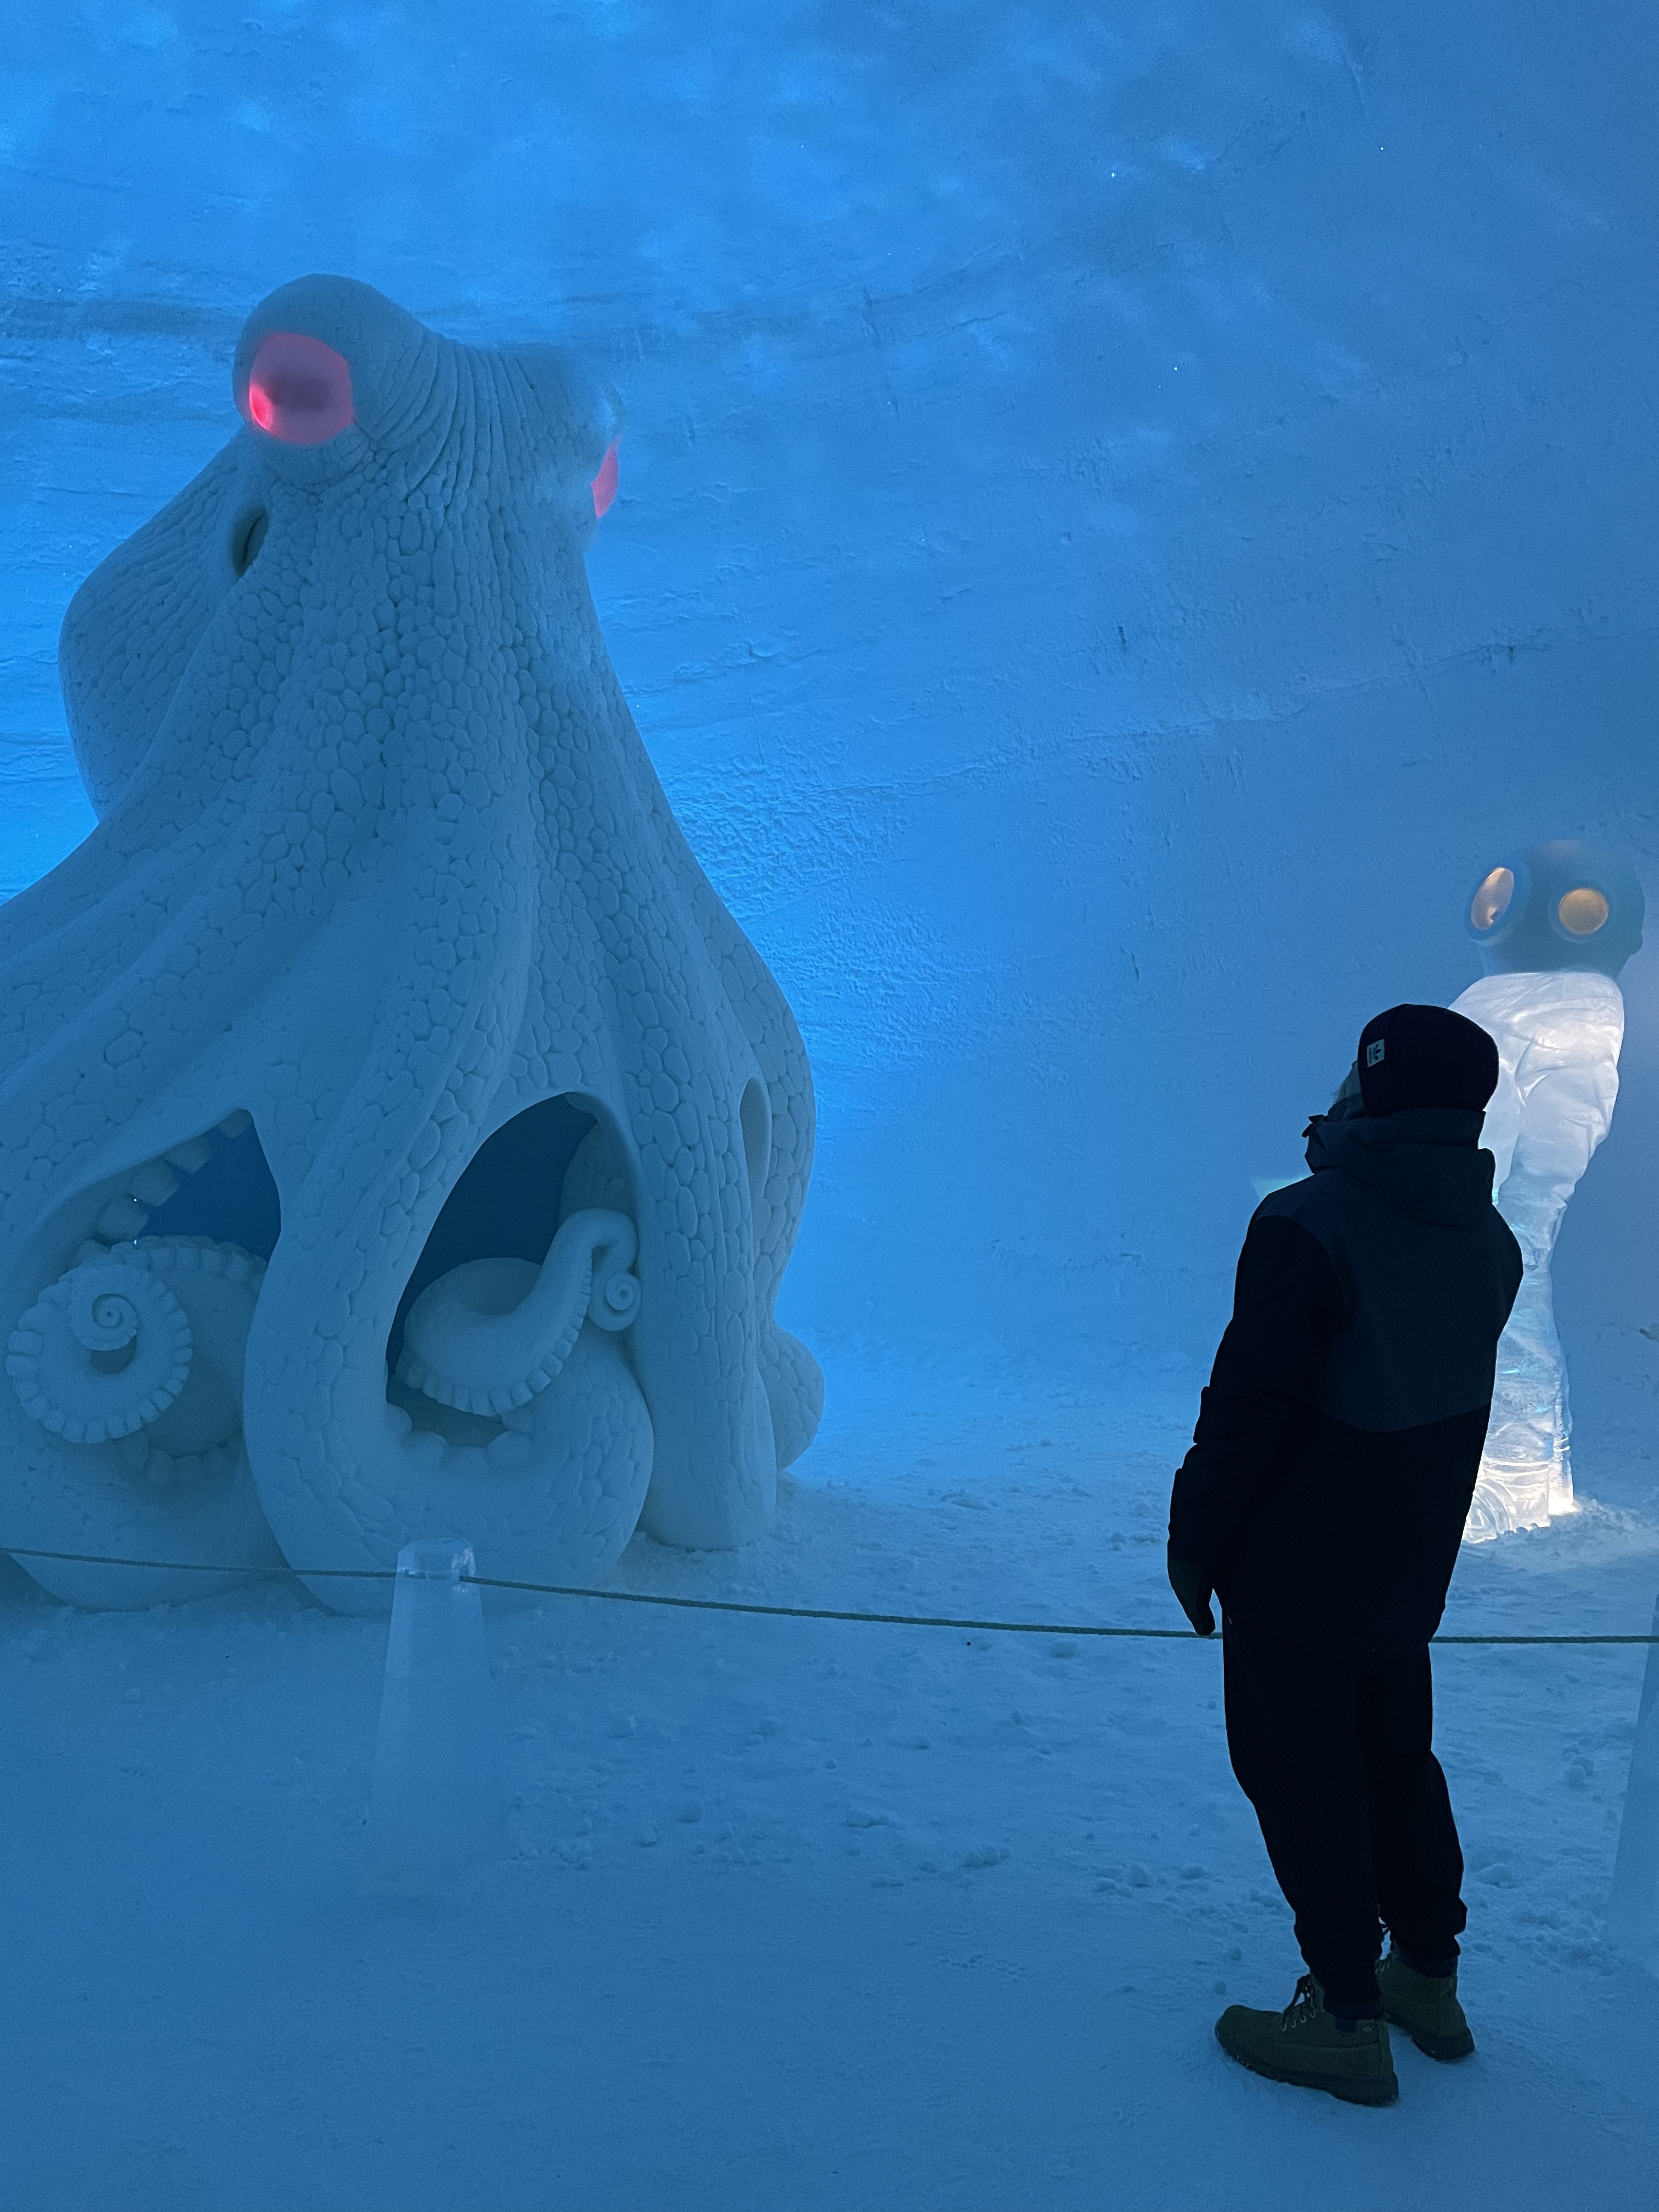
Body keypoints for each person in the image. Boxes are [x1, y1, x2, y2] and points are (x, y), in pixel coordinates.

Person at [1167, 1003, 1522, 2107]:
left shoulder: (1308, 1223)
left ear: (1372, 1089)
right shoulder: (1490, 1239)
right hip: (1408, 1570)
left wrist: (1196, 1542)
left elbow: (1247, 1411)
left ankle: (1344, 2015)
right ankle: (1427, 1977)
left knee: (1303, 1777)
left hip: (1294, 1570)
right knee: (1397, 1763)